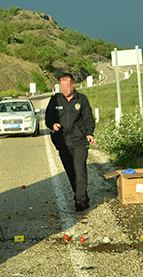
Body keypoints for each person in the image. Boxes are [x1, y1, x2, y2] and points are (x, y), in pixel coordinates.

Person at [45, 72, 96, 212]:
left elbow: (88, 119)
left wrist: (89, 133)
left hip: (79, 141)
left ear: (73, 85)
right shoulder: (55, 100)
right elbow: (48, 118)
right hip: (62, 142)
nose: (64, 89)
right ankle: (83, 198)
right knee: (71, 171)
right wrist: (53, 125)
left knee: (79, 168)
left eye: (67, 86)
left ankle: (79, 200)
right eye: (62, 86)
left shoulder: (82, 100)